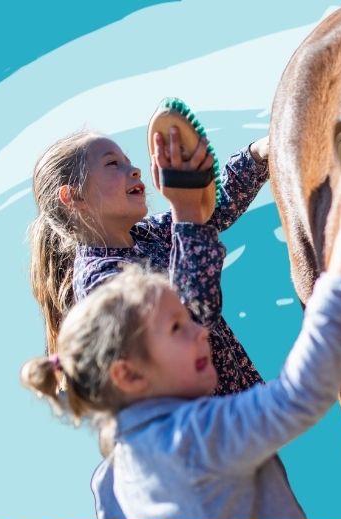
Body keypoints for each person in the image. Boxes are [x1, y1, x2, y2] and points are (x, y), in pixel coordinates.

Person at [21, 190, 341, 519]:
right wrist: (340, 279)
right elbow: (299, 394)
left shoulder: (109, 482)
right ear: (128, 375)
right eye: (177, 327)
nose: (201, 331)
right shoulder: (199, 436)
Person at [29, 123, 269, 394]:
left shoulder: (147, 234)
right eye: (112, 164)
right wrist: (184, 211)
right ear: (74, 196)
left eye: (128, 161)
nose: (134, 170)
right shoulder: (100, 282)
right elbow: (191, 320)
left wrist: (258, 154)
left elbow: (211, 211)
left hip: (241, 408)